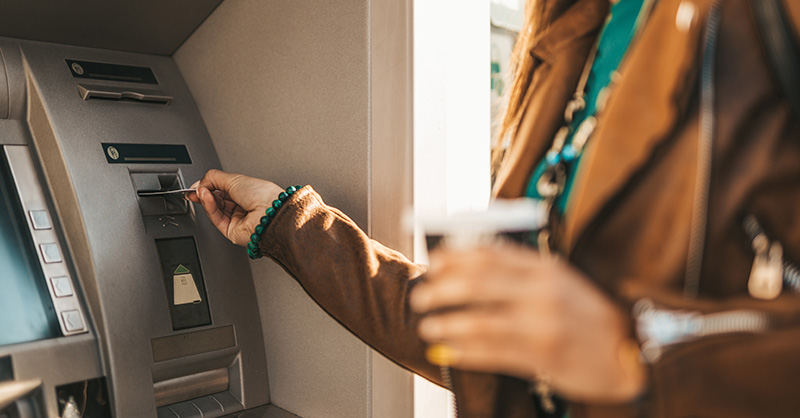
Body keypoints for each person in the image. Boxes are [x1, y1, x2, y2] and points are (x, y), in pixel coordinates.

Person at [188, 0, 800, 416]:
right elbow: (499, 337)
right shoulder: (570, 30)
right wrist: (290, 223)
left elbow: (584, 343)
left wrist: (634, 358)